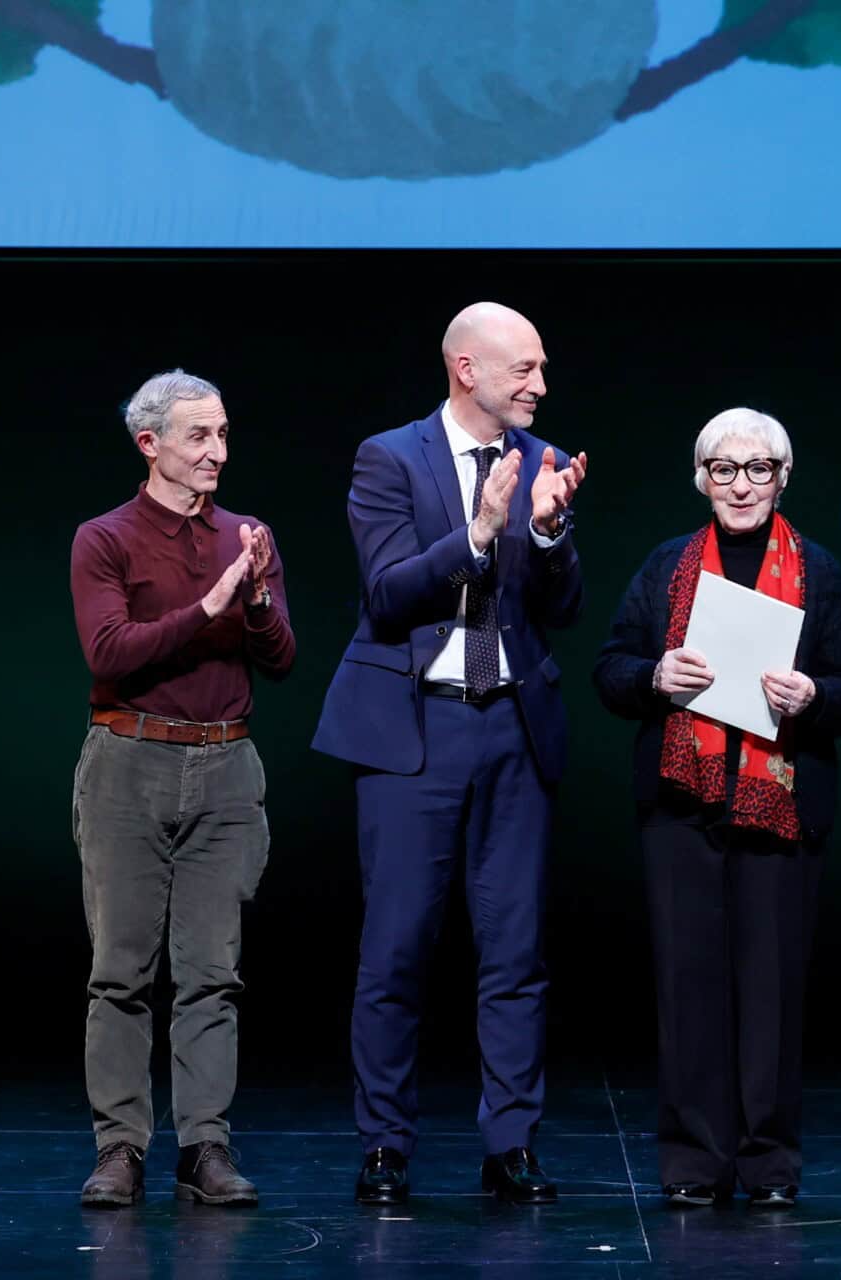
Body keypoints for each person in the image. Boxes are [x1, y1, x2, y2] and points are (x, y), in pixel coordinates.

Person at [312, 302, 589, 1207]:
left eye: (543, 370)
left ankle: (511, 1144)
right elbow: (389, 593)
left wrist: (546, 535)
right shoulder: (389, 458)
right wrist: (477, 536)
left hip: (510, 723)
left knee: (515, 952)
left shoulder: (543, 462)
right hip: (413, 731)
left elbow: (563, 607)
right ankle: (385, 1144)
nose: (541, 387)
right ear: (467, 369)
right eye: (525, 370)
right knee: (396, 949)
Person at [593, 408, 841, 1210]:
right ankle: (693, 1164)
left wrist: (816, 695)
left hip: (781, 809)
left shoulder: (818, 570)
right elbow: (610, 670)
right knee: (688, 990)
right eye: (725, 469)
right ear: (702, 479)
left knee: (772, 994)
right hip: (682, 808)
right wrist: (656, 677)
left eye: (759, 469)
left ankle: (769, 1166)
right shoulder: (666, 567)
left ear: (784, 479)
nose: (742, 484)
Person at [68, 369, 295, 1209]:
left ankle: (205, 1148)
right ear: (150, 443)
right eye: (199, 436)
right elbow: (111, 653)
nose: (216, 452)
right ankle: (120, 1148)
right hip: (129, 761)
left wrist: (260, 594)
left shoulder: (245, 536)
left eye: (224, 435)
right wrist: (213, 604)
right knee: (121, 971)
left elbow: (280, 660)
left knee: (212, 972)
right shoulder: (106, 538)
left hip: (226, 766)